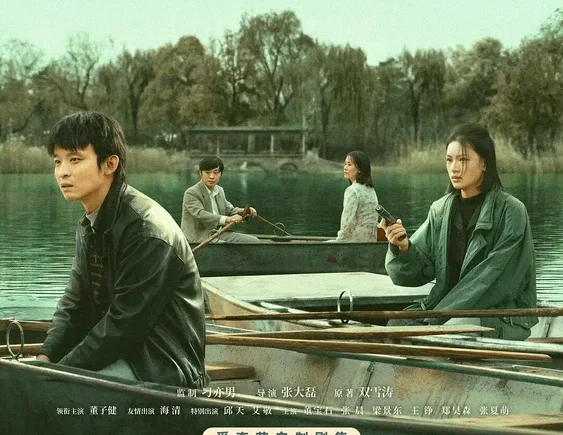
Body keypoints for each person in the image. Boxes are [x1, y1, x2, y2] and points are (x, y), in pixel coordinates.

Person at [37, 111, 208, 387]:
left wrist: (57, 373)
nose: (62, 171)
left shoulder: (147, 231)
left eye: (75, 159)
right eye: (58, 161)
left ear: (110, 164)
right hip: (122, 354)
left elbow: (123, 325)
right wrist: (45, 357)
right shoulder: (89, 224)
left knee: (50, 392)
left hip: (164, 365)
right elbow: (74, 305)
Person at [381, 123, 537, 340]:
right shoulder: (441, 210)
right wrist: (403, 248)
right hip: (445, 313)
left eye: (463, 160)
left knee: (455, 330)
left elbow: (491, 280)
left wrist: (438, 319)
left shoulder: (511, 211)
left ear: (485, 163)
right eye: (449, 160)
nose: (454, 168)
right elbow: (417, 272)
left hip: (497, 315)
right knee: (395, 325)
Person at [181, 156, 259, 243]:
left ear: (221, 174)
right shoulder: (191, 193)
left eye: (216, 173)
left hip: (218, 233)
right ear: (201, 173)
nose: (211, 176)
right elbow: (201, 214)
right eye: (207, 172)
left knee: (254, 241)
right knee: (226, 246)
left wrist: (246, 211)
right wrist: (227, 219)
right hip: (197, 237)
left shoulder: (219, 190)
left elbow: (229, 210)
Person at [335, 151, 379, 242]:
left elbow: (347, 222)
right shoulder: (370, 189)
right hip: (371, 240)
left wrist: (339, 241)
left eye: (349, 164)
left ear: (360, 169)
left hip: (354, 241)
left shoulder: (352, 190)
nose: (345, 167)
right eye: (345, 164)